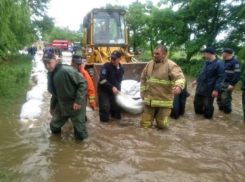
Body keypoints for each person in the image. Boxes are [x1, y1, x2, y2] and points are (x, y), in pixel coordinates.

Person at [42, 52, 88, 140]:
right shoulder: (51, 74)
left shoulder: (66, 70)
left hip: (75, 106)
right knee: (54, 127)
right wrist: (52, 107)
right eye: (45, 63)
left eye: (49, 63)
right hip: (62, 105)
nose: (47, 66)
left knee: (80, 134)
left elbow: (83, 83)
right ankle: (57, 144)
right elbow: (55, 93)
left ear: (55, 61)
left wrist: (78, 101)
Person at [140, 45, 185, 129]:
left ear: (164, 54)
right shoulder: (149, 64)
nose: (154, 55)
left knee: (162, 125)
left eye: (157, 54)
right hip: (149, 101)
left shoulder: (171, 65)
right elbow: (143, 78)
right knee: (145, 124)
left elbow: (180, 77)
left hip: (163, 101)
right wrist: (142, 92)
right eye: (154, 53)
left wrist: (179, 86)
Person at [191, 47, 225, 119]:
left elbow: (220, 78)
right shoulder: (206, 62)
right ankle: (198, 120)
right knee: (196, 104)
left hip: (209, 89)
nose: (204, 55)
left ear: (209, 53)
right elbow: (202, 73)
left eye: (204, 53)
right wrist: (196, 80)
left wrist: (216, 89)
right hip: (200, 87)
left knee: (207, 106)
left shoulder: (219, 64)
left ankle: (207, 120)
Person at [97, 50, 124, 122]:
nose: (112, 61)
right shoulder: (106, 67)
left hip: (114, 91)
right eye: (111, 58)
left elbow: (119, 81)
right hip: (104, 90)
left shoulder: (121, 68)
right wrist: (111, 87)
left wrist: (119, 91)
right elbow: (102, 80)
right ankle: (104, 124)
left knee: (117, 111)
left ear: (119, 59)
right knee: (105, 108)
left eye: (114, 59)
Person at [217, 48, 241, 114]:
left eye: (222, 52)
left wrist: (232, 84)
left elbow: (237, 74)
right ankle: (221, 115)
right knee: (219, 99)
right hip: (221, 83)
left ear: (226, 53)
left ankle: (227, 113)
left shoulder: (235, 62)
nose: (222, 54)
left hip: (228, 83)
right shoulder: (224, 61)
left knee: (225, 100)